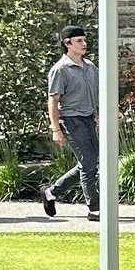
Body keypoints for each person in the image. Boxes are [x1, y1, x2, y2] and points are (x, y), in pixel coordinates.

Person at [43, 27, 104, 223]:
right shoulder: (60, 69)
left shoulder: (90, 67)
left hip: (88, 118)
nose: (84, 44)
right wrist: (56, 129)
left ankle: (52, 192)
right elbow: (53, 100)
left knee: (89, 162)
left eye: (84, 40)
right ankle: (94, 208)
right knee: (88, 161)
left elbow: (98, 93)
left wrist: (110, 111)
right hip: (70, 120)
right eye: (79, 41)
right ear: (67, 44)